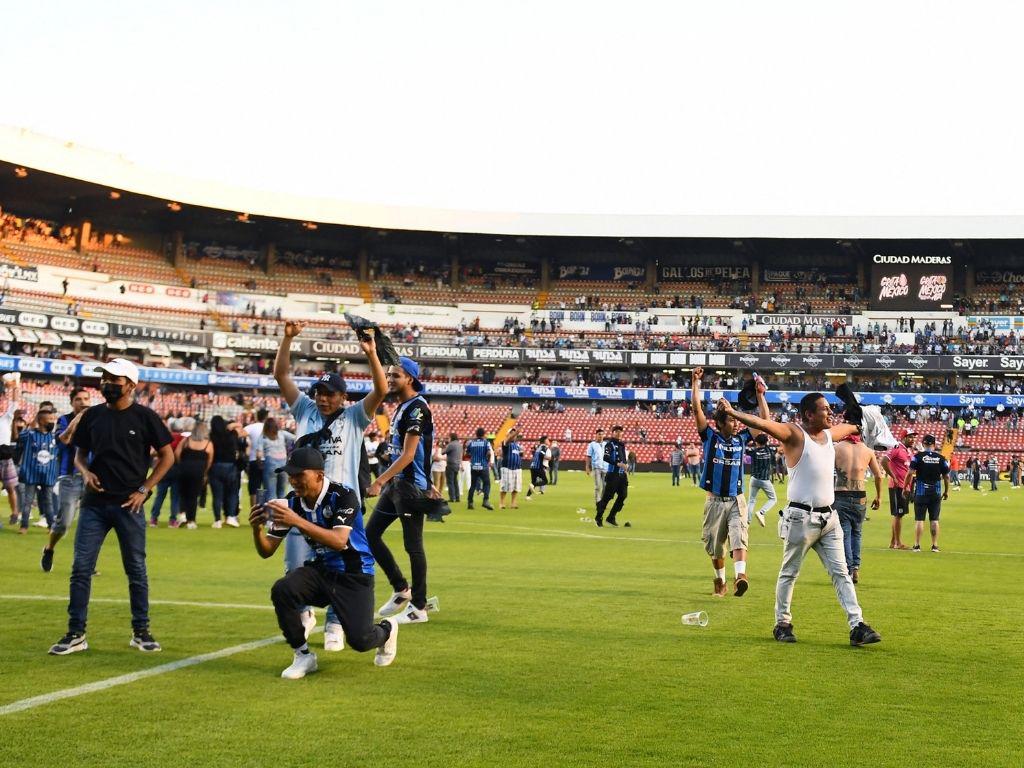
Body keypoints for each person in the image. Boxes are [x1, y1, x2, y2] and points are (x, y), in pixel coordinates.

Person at [717, 390, 882, 646]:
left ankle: (857, 625)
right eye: (824, 409)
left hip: (829, 519)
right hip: (800, 518)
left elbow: (853, 425)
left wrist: (857, 413)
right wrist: (731, 412)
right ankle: (782, 623)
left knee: (842, 573)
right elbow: (762, 424)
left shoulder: (829, 434)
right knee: (789, 573)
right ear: (808, 414)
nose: (829, 413)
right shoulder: (794, 434)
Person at [274, 320, 387, 652]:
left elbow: (380, 391)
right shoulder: (304, 410)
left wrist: (370, 354)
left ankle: (336, 622)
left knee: (342, 564)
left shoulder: (354, 417)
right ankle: (304, 611)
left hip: (342, 505)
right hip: (304, 500)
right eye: (319, 393)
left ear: (343, 396)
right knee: (296, 564)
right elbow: (281, 376)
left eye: (330, 394)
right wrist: (288, 338)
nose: (323, 399)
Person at [49, 358, 174, 655]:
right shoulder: (92, 415)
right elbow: (79, 453)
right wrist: (85, 472)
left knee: (136, 570)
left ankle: (141, 630)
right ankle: (75, 633)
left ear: (131, 385)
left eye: (114, 379)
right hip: (93, 504)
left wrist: (144, 489)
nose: (107, 383)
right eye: (104, 378)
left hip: (129, 505)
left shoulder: (145, 417)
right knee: (81, 568)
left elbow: (167, 456)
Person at [250, 447, 397, 677]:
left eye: (299, 475)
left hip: (354, 574)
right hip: (322, 571)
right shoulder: (292, 502)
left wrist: (297, 521)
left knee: (360, 640)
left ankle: (387, 630)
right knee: (283, 589)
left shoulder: (344, 495)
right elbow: (267, 550)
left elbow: (339, 541)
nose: (293, 480)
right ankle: (303, 656)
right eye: (290, 475)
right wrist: (256, 528)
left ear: (319, 475)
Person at [366, 357, 437, 625]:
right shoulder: (402, 407)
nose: (390, 379)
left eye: (396, 375)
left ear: (410, 378)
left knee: (413, 546)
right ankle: (401, 589)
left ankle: (419, 607)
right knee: (371, 535)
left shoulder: (417, 409)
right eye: (389, 375)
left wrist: (379, 481)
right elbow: (419, 452)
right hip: (399, 484)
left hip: (408, 488)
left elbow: (409, 455)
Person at [690, 367, 768, 596]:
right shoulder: (709, 437)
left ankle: (740, 576)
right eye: (731, 421)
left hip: (736, 500)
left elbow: (764, 423)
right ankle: (720, 581)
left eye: (735, 421)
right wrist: (696, 383)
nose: (735, 424)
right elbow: (696, 409)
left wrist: (761, 396)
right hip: (714, 502)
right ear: (720, 423)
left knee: (739, 536)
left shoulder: (742, 438)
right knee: (715, 548)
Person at [41, 388, 91, 571]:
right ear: (72, 403)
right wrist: (79, 418)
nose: (83, 402)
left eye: (86, 398)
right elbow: (64, 440)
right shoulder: (64, 420)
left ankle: (86, 563)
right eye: (78, 399)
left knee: (91, 523)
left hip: (92, 478)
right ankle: (49, 548)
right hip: (69, 477)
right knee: (64, 523)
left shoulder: (98, 419)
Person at [833, 434, 883, 584]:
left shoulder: (836, 448)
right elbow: (879, 476)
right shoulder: (867, 451)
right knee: (857, 533)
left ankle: (848, 569)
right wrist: (879, 497)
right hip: (860, 495)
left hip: (841, 493)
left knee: (845, 534)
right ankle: (855, 568)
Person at [17, 403, 60, 533]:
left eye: (53, 419)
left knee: (48, 501)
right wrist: (34, 420)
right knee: (28, 501)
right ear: (40, 421)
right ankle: (24, 526)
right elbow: (20, 436)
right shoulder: (30, 435)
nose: (52, 422)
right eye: (50, 420)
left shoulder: (54, 437)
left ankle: (51, 526)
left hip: (48, 474)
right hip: (31, 473)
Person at [904, 434, 949, 553]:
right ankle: (934, 545)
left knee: (919, 519)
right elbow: (946, 476)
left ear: (923, 444)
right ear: (934, 445)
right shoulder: (941, 458)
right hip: (936, 492)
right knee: (934, 520)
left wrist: (905, 487)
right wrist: (946, 491)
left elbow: (910, 473)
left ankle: (917, 545)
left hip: (921, 491)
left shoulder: (917, 457)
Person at [880, 430, 915, 549]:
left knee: (899, 515)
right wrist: (893, 477)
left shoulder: (908, 451)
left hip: (905, 487)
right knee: (898, 514)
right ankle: (898, 543)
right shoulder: (897, 447)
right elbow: (884, 461)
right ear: (904, 437)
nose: (913, 439)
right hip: (897, 486)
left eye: (913, 437)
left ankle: (893, 542)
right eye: (910, 437)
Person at [176, 420, 213, 529]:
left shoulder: (186, 441)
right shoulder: (208, 443)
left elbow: (177, 454)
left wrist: (181, 464)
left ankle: (182, 514)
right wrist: (205, 472)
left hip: (184, 469)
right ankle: (191, 520)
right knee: (193, 496)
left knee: (183, 493)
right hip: (199, 471)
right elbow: (210, 460)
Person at [148, 417, 183, 527]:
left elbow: (154, 452)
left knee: (160, 495)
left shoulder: (165, 437)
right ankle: (172, 520)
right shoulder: (183, 439)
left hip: (163, 468)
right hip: (177, 469)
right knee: (175, 497)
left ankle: (154, 518)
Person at [208, 415, 242, 528]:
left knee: (217, 495)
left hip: (215, 466)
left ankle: (217, 520)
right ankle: (231, 517)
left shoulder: (211, 436)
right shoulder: (232, 435)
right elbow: (241, 430)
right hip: (230, 466)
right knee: (232, 493)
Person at [595, 425, 630, 527]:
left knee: (623, 495)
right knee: (607, 497)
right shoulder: (609, 445)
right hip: (612, 475)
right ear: (613, 433)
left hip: (622, 475)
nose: (619, 433)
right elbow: (606, 457)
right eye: (616, 431)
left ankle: (611, 517)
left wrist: (625, 467)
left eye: (620, 432)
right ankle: (599, 517)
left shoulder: (622, 445)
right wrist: (618, 464)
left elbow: (623, 459)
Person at [0, 374, 22, 527]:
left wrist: (15, 387)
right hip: (4, 454)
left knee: (10, 487)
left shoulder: (6, 417)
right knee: (10, 487)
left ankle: (15, 513)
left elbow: (14, 402)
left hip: (5, 454)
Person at [257, 417, 295, 498]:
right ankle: (281, 510)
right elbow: (295, 438)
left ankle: (271, 510)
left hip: (270, 463)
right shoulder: (282, 433)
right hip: (283, 464)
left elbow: (259, 454)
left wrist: (260, 464)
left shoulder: (263, 437)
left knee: (270, 493)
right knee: (281, 492)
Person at [745, 433, 778, 527]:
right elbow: (777, 450)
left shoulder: (753, 451)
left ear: (756, 442)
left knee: (751, 500)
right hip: (765, 480)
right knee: (773, 499)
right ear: (766, 442)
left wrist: (751, 442)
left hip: (754, 478)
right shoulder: (770, 451)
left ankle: (747, 521)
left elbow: (745, 448)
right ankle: (761, 512)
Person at [244, 407, 268, 508]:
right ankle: (267, 514)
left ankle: (255, 513)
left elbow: (241, 434)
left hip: (254, 460)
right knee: (268, 488)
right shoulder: (270, 427)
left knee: (254, 488)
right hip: (268, 460)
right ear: (266, 417)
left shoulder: (251, 427)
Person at [466, 427, 494, 510]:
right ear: (484, 434)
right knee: (487, 483)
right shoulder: (486, 443)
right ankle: (485, 501)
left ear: (476, 434)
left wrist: (473, 457)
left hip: (473, 466)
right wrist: (488, 460)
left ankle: (470, 503)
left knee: (473, 485)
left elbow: (467, 453)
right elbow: (489, 452)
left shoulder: (471, 443)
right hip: (483, 466)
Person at [499, 427, 523, 509]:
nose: (514, 435)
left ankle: (513, 503)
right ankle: (502, 503)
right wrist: (516, 433)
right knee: (504, 486)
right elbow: (508, 439)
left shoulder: (517, 446)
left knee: (516, 487)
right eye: (511, 433)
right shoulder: (505, 442)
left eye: (515, 433)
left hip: (517, 468)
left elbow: (520, 455)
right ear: (508, 434)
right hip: (507, 468)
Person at [584, 428, 606, 504]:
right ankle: (598, 502)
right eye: (599, 434)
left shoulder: (606, 444)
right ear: (596, 435)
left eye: (602, 434)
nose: (601, 436)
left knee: (605, 486)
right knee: (598, 486)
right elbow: (588, 456)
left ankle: (603, 501)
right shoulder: (592, 444)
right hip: (596, 467)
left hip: (605, 467)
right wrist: (587, 467)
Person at [444, 432, 462, 503]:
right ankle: (457, 497)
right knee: (455, 481)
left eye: (449, 437)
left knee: (450, 482)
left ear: (451, 437)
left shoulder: (451, 444)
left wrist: (445, 446)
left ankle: (452, 497)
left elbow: (443, 452)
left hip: (451, 464)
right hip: (457, 464)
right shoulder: (459, 444)